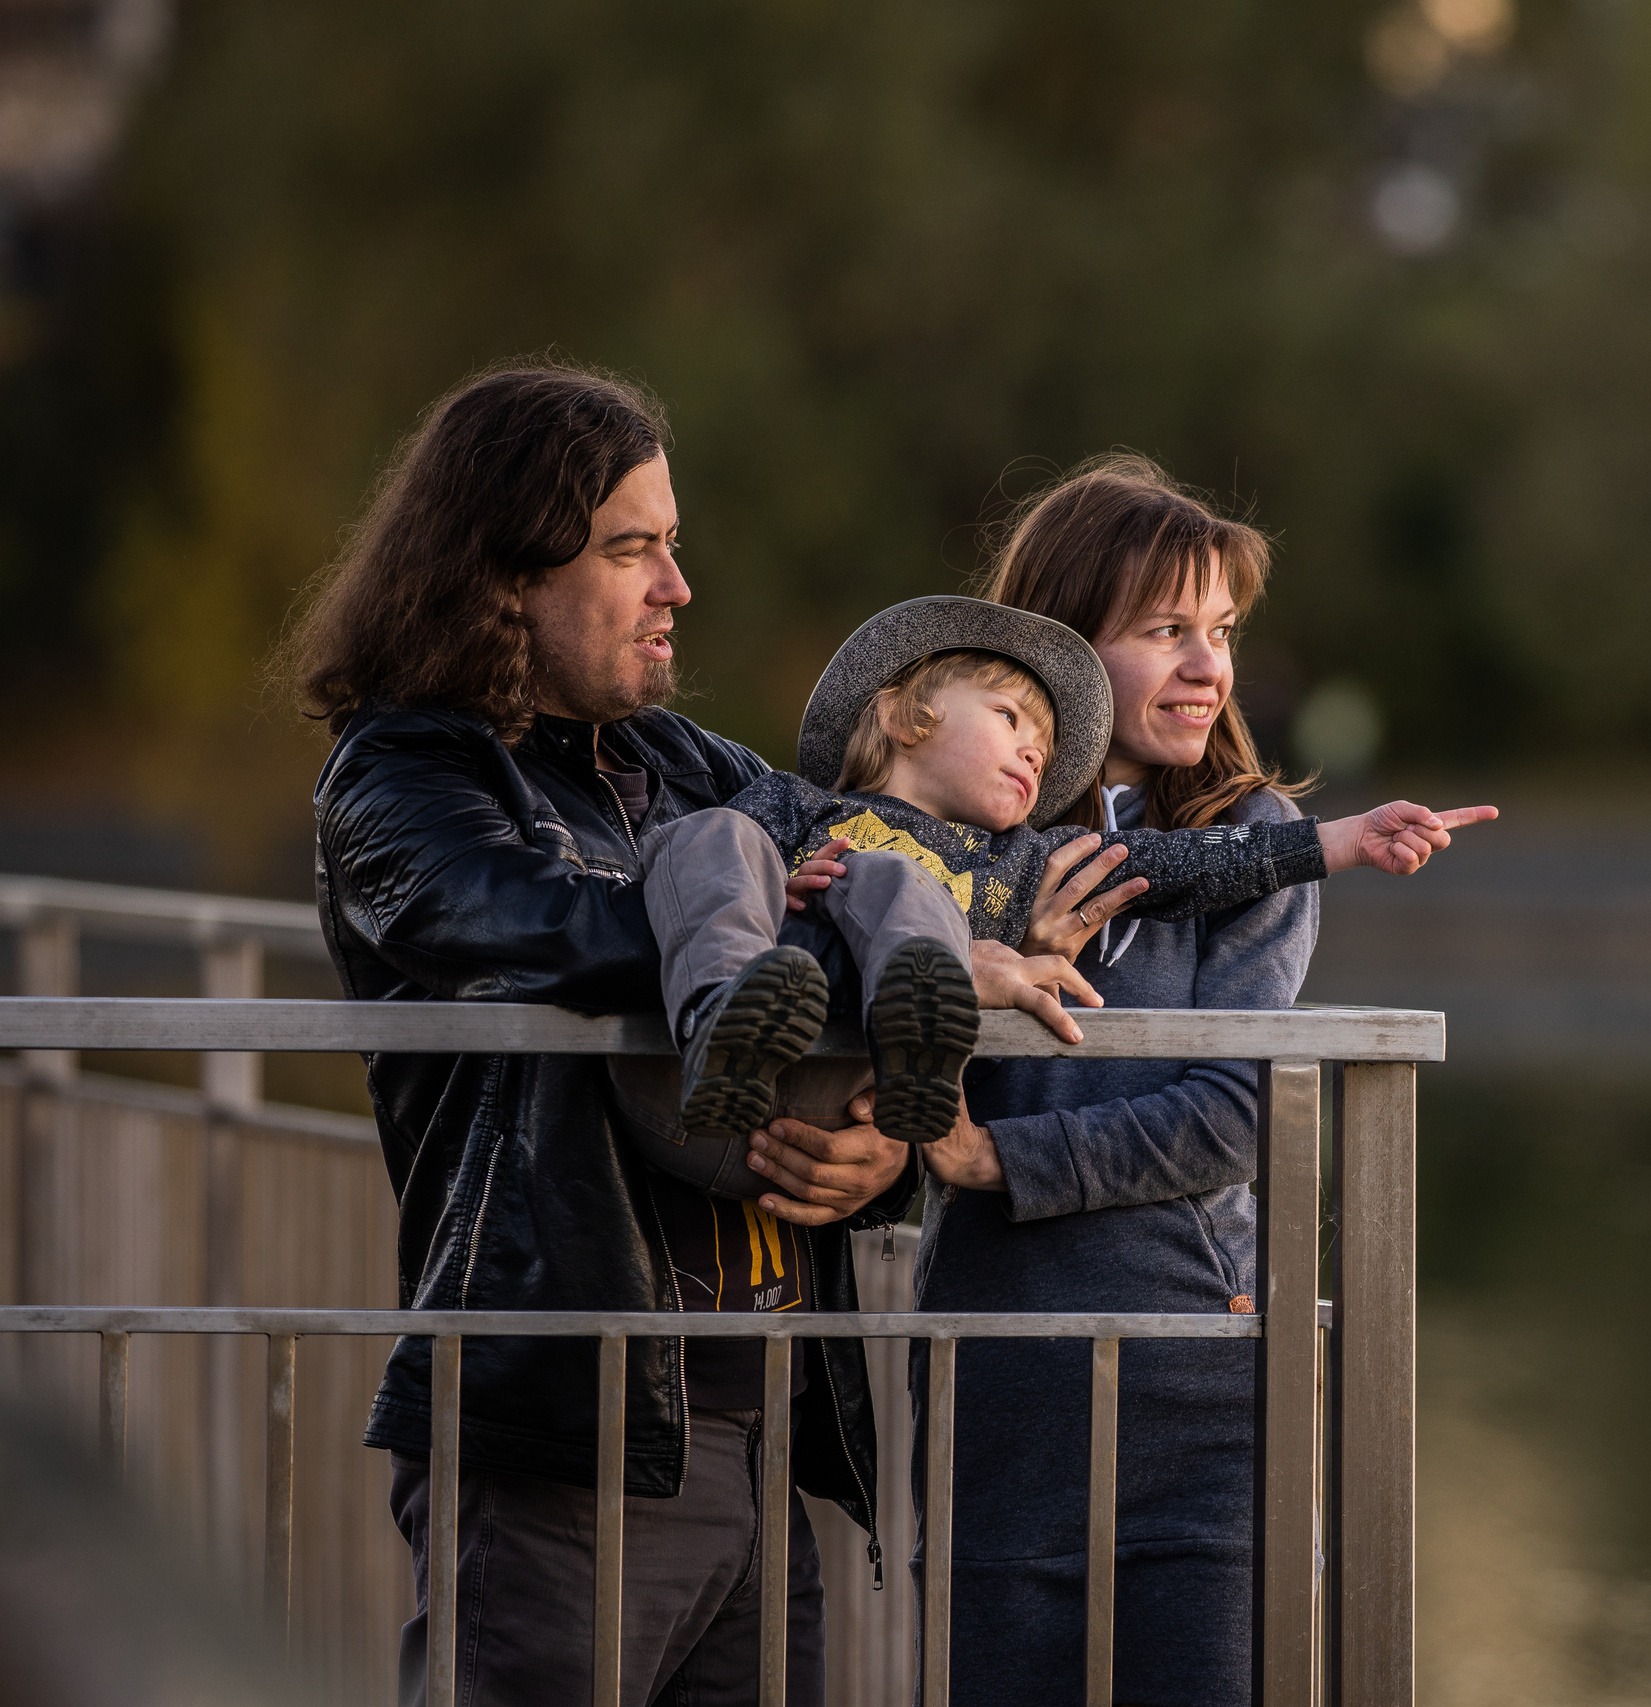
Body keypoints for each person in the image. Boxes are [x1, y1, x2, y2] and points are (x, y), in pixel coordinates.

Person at [298, 363, 925, 1707]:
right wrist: (742, 913)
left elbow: (886, 872)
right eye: (631, 548)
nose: (675, 587)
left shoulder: (687, 764)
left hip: (766, 1409)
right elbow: (542, 925)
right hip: (570, 1425)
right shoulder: (405, 775)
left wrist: (890, 1153)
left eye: (673, 545)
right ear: (503, 574)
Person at [744, 453, 1370, 1704]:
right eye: (1166, 631)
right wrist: (897, 1124)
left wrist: (986, 1158)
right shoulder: (957, 830)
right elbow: (874, 1047)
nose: (1208, 667)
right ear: (1061, 649)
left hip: (1200, 1378)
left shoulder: (1251, 847)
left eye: (1223, 633)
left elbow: (1244, 1111)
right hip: (996, 1368)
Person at [627, 594, 1490, 1154]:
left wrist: (1338, 840)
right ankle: (723, 1007)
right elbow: (687, 853)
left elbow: (1176, 863)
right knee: (705, 836)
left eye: (1043, 751)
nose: (1033, 755)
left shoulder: (1014, 863)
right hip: (713, 1082)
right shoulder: (792, 804)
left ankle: (921, 1030)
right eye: (1009, 719)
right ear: (904, 715)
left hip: (838, 1099)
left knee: (895, 883)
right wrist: (771, 886)